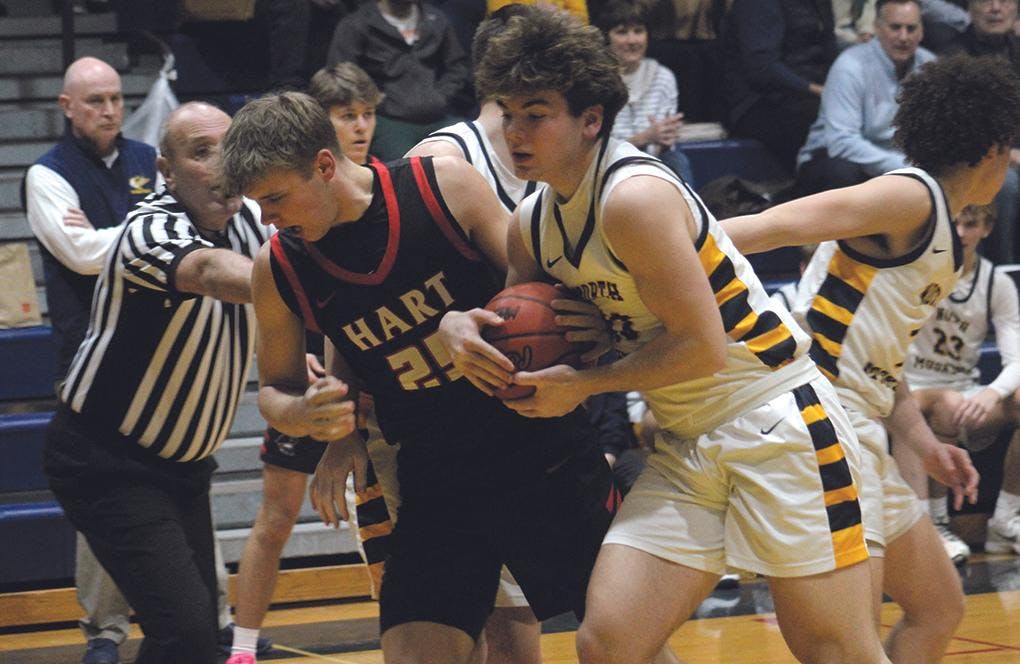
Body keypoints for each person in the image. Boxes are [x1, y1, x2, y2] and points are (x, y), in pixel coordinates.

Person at [465, 8, 886, 663]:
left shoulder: (633, 197)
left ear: (590, 119)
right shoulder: (531, 224)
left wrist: (585, 381)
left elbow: (703, 347)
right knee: (608, 642)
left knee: (834, 652)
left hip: (774, 419)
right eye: (507, 112)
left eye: (536, 113)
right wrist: (455, 328)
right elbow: (512, 328)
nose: (516, 133)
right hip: (685, 438)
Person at [219, 90, 618, 664]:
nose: (267, 217)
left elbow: (543, 290)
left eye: (276, 197)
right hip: (436, 478)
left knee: (621, 645)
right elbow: (274, 392)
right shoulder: (278, 266)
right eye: (258, 203)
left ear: (325, 167)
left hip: (539, 451)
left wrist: (591, 330)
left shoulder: (444, 188)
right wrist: (311, 417)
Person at [720, 55, 1020, 661]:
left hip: (862, 424)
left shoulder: (938, 225)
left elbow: (882, 358)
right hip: (820, 423)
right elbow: (770, 226)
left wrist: (924, 443)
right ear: (992, 146)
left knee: (940, 607)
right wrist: (657, 248)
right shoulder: (909, 195)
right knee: (846, 647)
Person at [42, 101, 270, 664]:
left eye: (230, 148)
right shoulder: (149, 229)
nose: (222, 166)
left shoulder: (251, 220)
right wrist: (315, 282)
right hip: (107, 462)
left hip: (182, 467)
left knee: (195, 636)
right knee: (189, 638)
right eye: (200, 152)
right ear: (166, 171)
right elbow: (216, 275)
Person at [226, 62, 397, 664]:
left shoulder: (408, 191)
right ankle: (243, 645)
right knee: (276, 515)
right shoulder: (277, 224)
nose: (359, 126)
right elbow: (275, 327)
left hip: (372, 399)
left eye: (367, 113)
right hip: (313, 388)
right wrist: (308, 389)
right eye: (345, 115)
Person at [24, 56, 157, 664]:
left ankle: (214, 617)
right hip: (87, 357)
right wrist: (146, 229)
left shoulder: (150, 159)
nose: (109, 109)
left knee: (186, 481)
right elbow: (78, 254)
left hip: (161, 349)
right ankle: (104, 629)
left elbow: (175, 232)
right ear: (67, 106)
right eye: (94, 100)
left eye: (114, 97)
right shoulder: (46, 175)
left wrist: (118, 233)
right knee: (102, 493)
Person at [900, 203, 1020, 559]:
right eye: (954, 224)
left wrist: (992, 393)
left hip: (965, 393)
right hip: (911, 389)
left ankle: (1007, 519)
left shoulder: (995, 283)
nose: (961, 233)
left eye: (971, 225)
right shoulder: (913, 274)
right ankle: (935, 524)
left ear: (986, 229)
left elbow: (1016, 360)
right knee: (945, 405)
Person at [797, 0, 934, 195]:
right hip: (833, 160)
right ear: (877, 28)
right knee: (841, 170)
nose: (904, 37)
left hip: (896, 167)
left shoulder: (929, 66)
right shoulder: (850, 66)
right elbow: (842, 142)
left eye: (911, 29)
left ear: (922, 32)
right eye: (895, 27)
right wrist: (903, 167)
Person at [326, 0, 470, 160]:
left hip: (439, 116)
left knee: (470, 147)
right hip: (386, 120)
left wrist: (441, 97)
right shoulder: (357, 24)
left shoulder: (436, 18)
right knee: (404, 173)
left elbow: (457, 66)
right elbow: (340, 75)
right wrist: (378, 103)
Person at [722, 0, 837, 174]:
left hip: (814, 94)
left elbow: (829, 47)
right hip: (761, 102)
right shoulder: (757, 4)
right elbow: (761, 67)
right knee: (824, 126)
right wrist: (818, 90)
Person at [945, 0, 1020, 264]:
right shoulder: (952, 56)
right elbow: (957, 128)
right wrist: (1008, 155)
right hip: (973, 158)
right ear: (969, 7)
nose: (995, 8)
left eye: (1004, 1)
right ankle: (1006, 271)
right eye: (986, 0)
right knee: (1007, 183)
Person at [592, 0, 694, 185]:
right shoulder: (596, 80)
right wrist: (643, 138)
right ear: (607, 37)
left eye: (638, 31)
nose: (632, 41)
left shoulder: (663, 77)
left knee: (676, 160)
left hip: (651, 164)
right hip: (606, 164)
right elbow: (595, 149)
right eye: (622, 32)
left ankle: (690, 214)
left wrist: (664, 139)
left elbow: (661, 146)